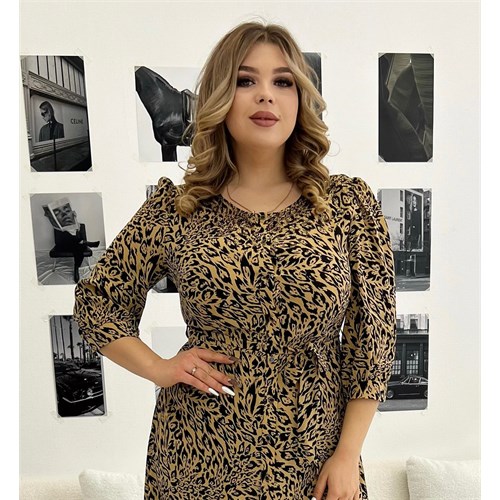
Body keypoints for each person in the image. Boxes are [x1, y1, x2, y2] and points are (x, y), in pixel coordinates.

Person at [74, 21, 396, 500]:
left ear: (300, 99)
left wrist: (348, 453)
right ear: (221, 97)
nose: (266, 95)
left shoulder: (346, 205)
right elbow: (97, 302)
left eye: (283, 81)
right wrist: (161, 368)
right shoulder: (178, 209)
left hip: (314, 454)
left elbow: (374, 339)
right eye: (246, 80)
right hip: (197, 453)